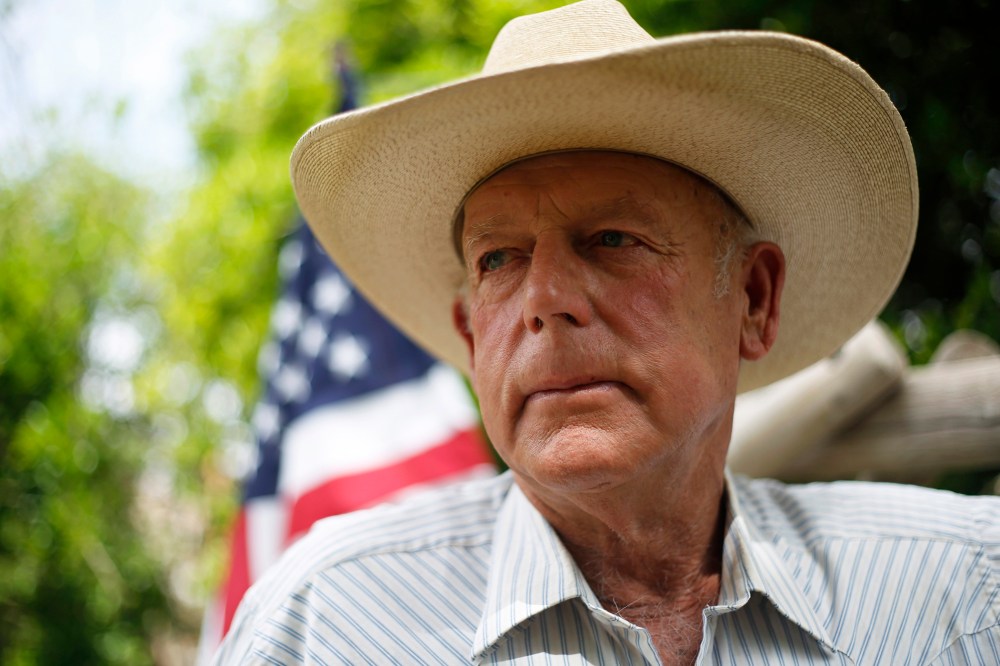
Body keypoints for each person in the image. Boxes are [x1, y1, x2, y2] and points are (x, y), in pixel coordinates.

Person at [215, 1, 999, 663]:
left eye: (613, 239)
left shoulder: (962, 597)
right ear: (469, 334)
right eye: (499, 259)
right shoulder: (323, 627)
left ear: (754, 300)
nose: (545, 300)